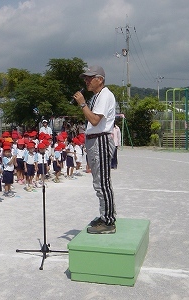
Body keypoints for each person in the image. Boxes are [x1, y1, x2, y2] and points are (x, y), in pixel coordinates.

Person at [73, 65, 116, 234]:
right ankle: (104, 215)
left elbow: (95, 120)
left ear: (100, 79)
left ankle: (109, 221)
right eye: (85, 78)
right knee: (98, 182)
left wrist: (82, 104)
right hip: (94, 141)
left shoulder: (105, 95)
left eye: (90, 78)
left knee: (103, 182)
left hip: (101, 140)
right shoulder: (97, 96)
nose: (86, 81)